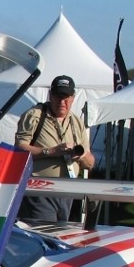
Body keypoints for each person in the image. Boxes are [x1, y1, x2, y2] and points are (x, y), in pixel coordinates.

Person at [14, 75, 96, 222]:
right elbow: (19, 149)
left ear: (73, 98)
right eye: (58, 96)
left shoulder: (76, 122)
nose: (62, 102)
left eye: (67, 98)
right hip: (40, 191)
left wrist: (81, 155)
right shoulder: (35, 116)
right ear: (50, 95)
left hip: (68, 193)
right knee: (43, 236)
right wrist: (51, 151)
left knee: (62, 237)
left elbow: (90, 163)